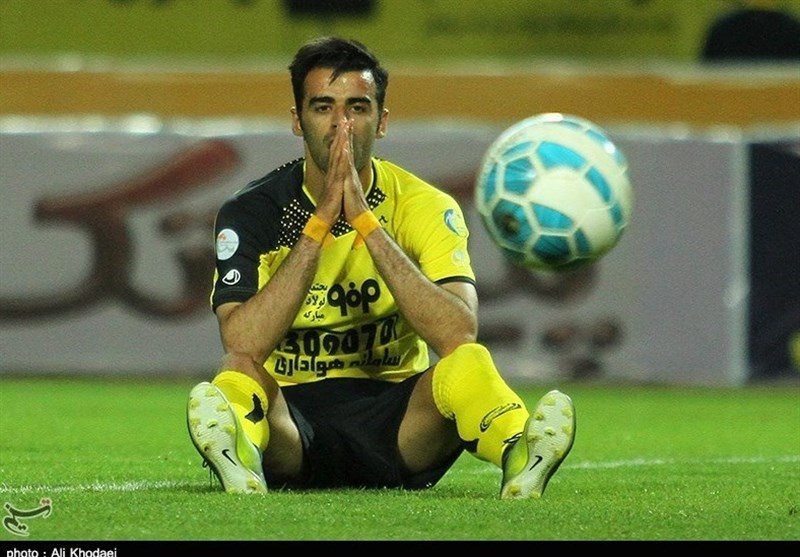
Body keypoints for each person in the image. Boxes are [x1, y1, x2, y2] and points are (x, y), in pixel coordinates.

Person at [186, 36, 575, 499]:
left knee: (468, 360)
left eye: (357, 107)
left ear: (382, 121)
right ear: (297, 120)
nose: (341, 125)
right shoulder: (253, 212)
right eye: (323, 107)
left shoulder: (424, 205)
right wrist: (320, 224)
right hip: (290, 424)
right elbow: (242, 342)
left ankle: (519, 451)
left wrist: (366, 222)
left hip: (401, 423)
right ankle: (240, 455)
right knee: (237, 368)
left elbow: (458, 332)